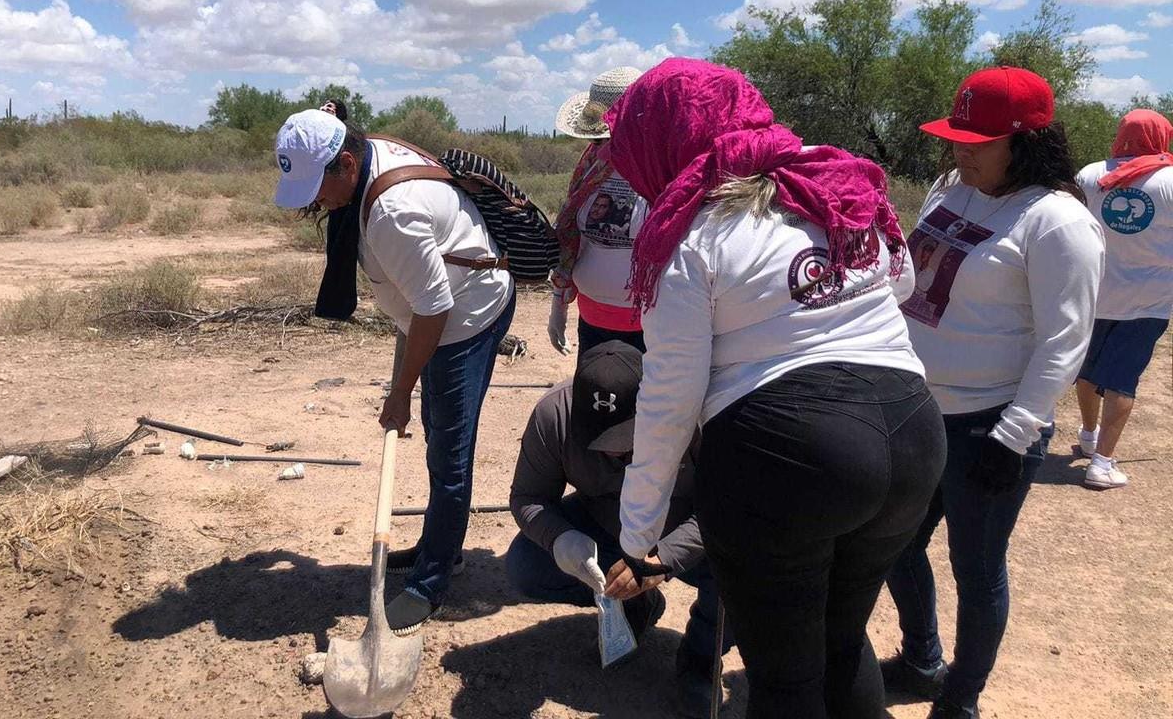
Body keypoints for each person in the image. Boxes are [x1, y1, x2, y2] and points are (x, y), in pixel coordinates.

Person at [604, 58, 944, 719]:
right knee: (842, 643)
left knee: (786, 680)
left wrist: (636, 533)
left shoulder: (690, 234)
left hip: (790, 455)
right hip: (910, 429)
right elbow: (899, 283)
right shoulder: (836, 182)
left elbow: (670, 401)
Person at [883, 67, 1105, 719]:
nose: (961, 150)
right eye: (957, 136)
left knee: (976, 572)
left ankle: (960, 701)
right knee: (894, 544)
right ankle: (924, 659)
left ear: (1026, 141)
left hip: (989, 424)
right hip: (917, 411)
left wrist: (1015, 433)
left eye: (978, 141)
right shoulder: (951, 190)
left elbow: (1065, 343)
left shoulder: (1057, 222)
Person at [273, 109, 515, 632]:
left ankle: (433, 581)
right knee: (437, 436)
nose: (317, 201)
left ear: (345, 162)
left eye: (318, 187)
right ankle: (438, 545)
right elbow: (415, 304)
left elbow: (434, 309)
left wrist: (400, 390)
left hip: (468, 314)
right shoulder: (364, 158)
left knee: (450, 450)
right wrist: (402, 381)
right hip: (434, 307)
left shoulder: (392, 214)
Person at [506, 342, 731, 718]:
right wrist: (561, 539)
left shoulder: (698, 414)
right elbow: (528, 497)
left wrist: (663, 560)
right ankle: (634, 606)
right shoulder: (554, 414)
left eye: (624, 441)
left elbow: (724, 510)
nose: (613, 454)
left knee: (748, 571)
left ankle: (700, 660)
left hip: (687, 534)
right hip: (605, 525)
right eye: (600, 443)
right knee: (527, 564)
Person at [1073, 108, 1173, 489]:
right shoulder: (1170, 180)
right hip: (1148, 299)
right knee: (1122, 381)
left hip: (1094, 291)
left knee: (1087, 368)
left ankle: (1087, 435)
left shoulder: (1090, 173)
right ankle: (1102, 463)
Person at [549, 67, 648, 357]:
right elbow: (571, 233)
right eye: (597, 138)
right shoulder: (590, 164)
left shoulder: (660, 169)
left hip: (652, 322)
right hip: (592, 317)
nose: (601, 144)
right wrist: (558, 303)